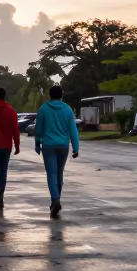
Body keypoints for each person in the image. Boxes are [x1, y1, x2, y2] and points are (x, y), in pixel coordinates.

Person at [33, 85, 80, 217]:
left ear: (50, 95)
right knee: (59, 173)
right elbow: (73, 130)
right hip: (63, 146)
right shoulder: (67, 109)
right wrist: (76, 147)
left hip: (48, 146)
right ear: (61, 95)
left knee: (51, 173)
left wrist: (37, 143)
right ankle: (57, 197)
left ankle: (55, 198)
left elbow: (39, 128)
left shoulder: (44, 109)